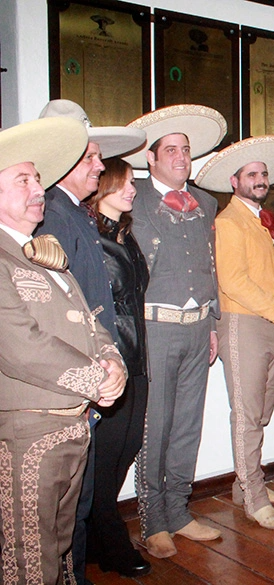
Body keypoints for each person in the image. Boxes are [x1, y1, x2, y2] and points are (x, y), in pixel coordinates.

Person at [0, 117, 125, 585]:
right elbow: (20, 347)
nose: (38, 188)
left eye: (37, 178)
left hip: (72, 425)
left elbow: (90, 322)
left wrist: (112, 363)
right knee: (28, 557)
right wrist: (96, 379)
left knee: (61, 547)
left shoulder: (42, 253)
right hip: (27, 433)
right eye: (23, 180)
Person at [35, 99, 145, 585]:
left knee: (82, 499)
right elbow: (61, 309)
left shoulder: (71, 213)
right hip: (84, 372)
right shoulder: (56, 215)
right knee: (66, 509)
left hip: (111, 359)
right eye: (89, 159)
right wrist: (95, 366)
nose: (99, 168)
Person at [126, 104, 227, 558]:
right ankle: (152, 522)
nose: (181, 157)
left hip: (198, 326)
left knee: (188, 425)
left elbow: (211, 265)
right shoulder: (132, 197)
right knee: (156, 426)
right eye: (171, 150)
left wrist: (214, 321)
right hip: (155, 328)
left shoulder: (206, 202)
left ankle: (179, 510)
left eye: (185, 150)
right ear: (151, 158)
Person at [194, 136, 274, 527]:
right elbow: (233, 281)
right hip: (242, 322)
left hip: (271, 324)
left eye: (264, 174)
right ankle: (254, 496)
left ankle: (245, 484)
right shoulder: (227, 222)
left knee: (263, 409)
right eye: (251, 174)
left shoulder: (264, 221)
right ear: (234, 181)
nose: (260, 179)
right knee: (248, 414)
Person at [83, 157, 152, 578]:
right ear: (104, 183)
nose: (132, 190)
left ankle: (94, 532)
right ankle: (111, 541)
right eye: (126, 182)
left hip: (136, 355)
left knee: (125, 449)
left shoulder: (125, 235)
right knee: (105, 455)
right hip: (112, 359)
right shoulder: (87, 235)